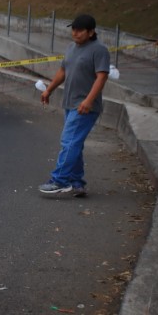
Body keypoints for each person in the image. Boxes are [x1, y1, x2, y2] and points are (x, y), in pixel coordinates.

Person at [38, 14, 110, 197]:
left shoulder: (99, 50)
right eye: (73, 29)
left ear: (91, 32)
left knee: (69, 142)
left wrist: (89, 100)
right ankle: (77, 182)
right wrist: (49, 90)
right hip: (70, 103)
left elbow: (102, 77)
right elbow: (63, 71)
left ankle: (59, 180)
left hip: (85, 106)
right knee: (74, 143)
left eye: (80, 30)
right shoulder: (71, 47)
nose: (75, 33)